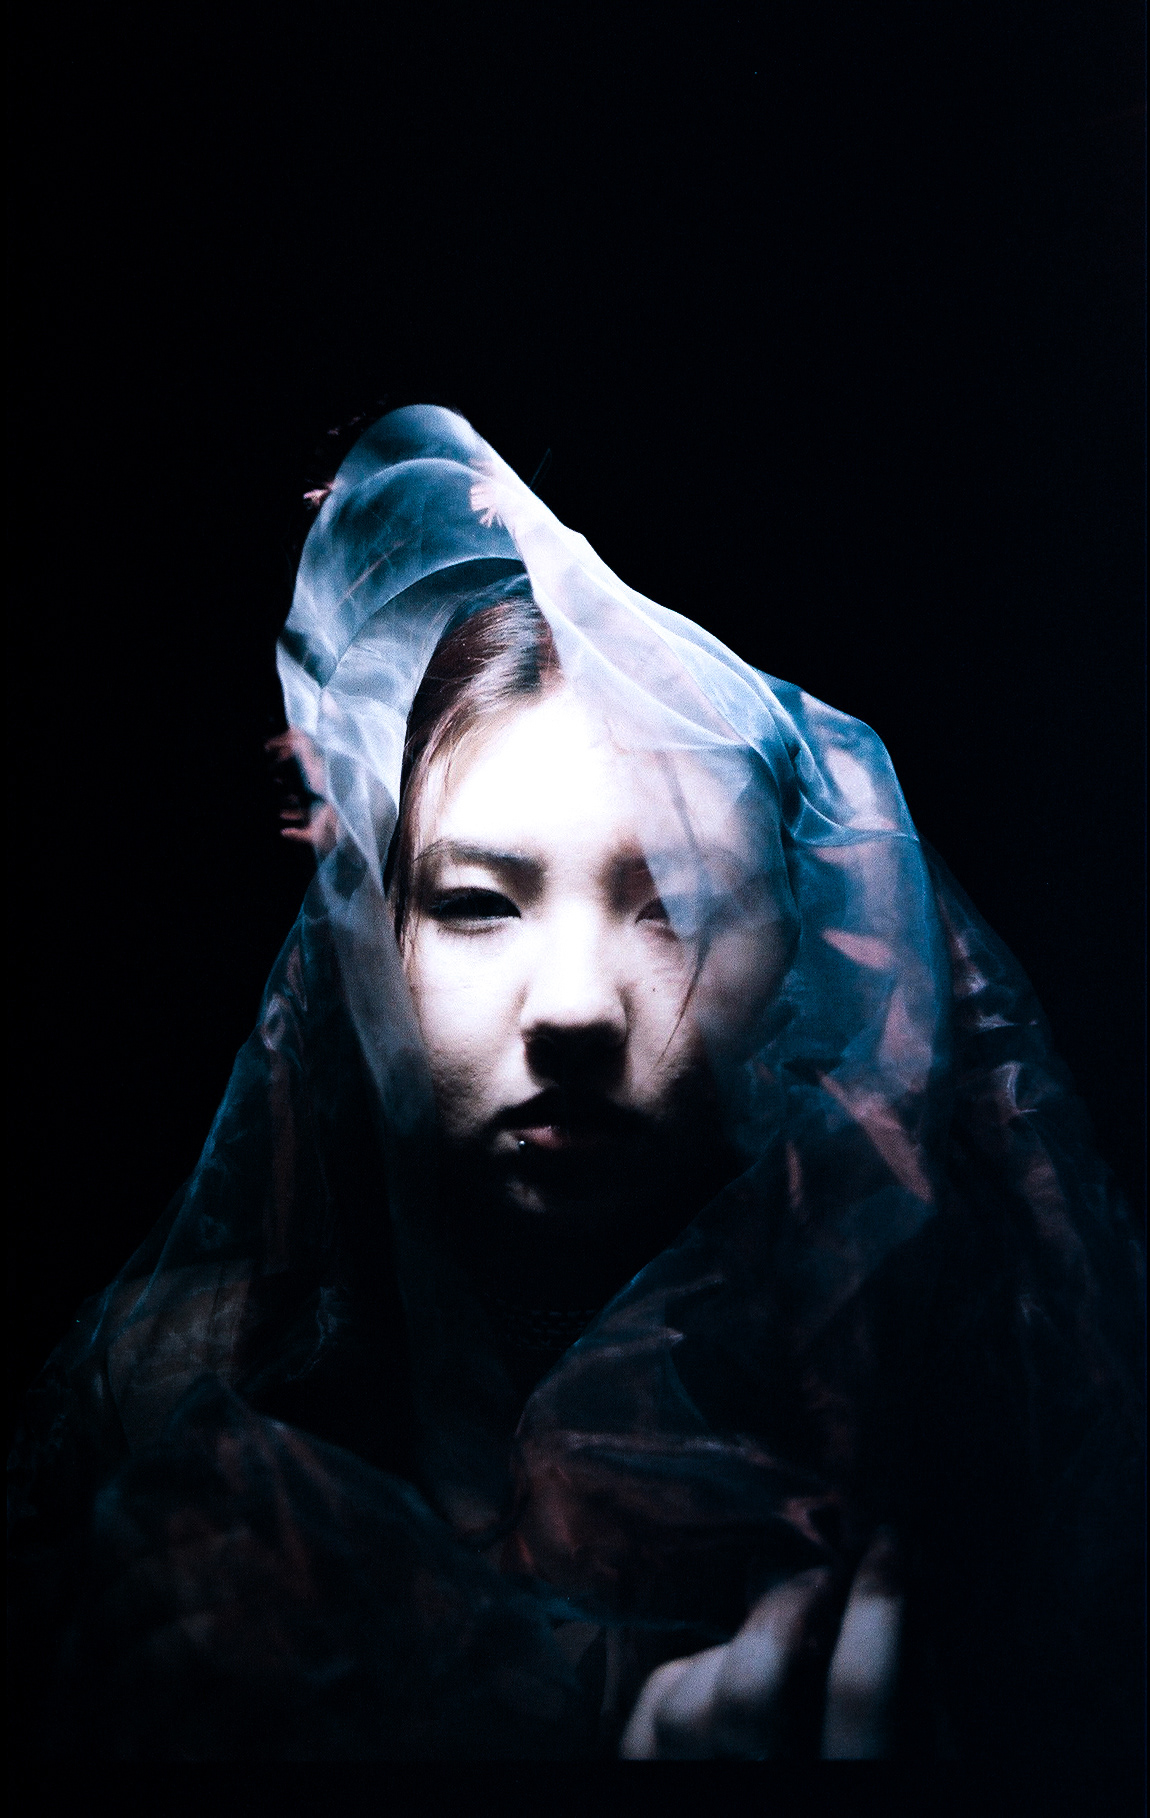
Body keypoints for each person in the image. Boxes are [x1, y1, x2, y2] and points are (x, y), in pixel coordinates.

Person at [8, 407, 1143, 1761]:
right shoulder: (169, 1402)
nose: (571, 1008)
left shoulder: (952, 1433)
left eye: (674, 906)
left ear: (801, 963)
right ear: (377, 953)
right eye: (476, 903)